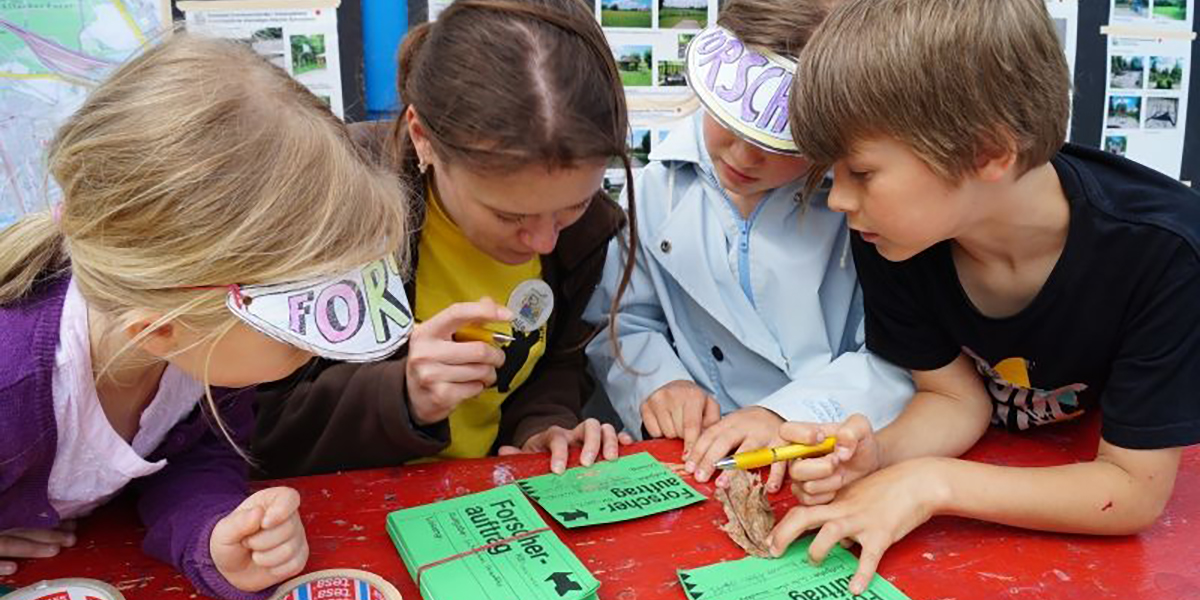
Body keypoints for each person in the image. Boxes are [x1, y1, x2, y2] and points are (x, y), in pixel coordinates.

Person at [768, 0, 1200, 595]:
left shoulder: (1164, 252)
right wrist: (878, 456)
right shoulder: (895, 234)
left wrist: (929, 485)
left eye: (861, 172)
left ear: (988, 153)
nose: (837, 200)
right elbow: (954, 398)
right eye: (831, 173)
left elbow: (1132, 490)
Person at [0, 35, 410, 598]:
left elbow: (196, 455)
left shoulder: (203, 341)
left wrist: (215, 533)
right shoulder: (12, 381)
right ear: (157, 331)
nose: (320, 344)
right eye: (296, 326)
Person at [253, 0, 641, 477]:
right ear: (423, 138)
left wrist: (543, 428)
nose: (543, 240)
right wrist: (402, 396)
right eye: (508, 214)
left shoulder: (588, 232)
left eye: (572, 206)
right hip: (325, 511)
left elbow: (554, 365)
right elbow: (253, 422)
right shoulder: (333, 201)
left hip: (478, 504)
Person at [584, 0, 912, 492]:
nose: (742, 156)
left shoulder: (860, 211)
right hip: (691, 459)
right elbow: (624, 319)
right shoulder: (656, 187)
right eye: (728, 125)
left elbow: (901, 355)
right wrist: (659, 382)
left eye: (778, 142)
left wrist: (783, 413)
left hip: (822, 457)